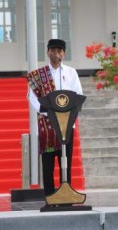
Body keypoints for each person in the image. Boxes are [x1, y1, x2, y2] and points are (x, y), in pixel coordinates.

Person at [27, 39, 83, 197]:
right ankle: (50, 196)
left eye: (59, 51)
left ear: (64, 53)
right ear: (48, 52)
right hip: (48, 124)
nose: (56, 53)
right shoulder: (39, 75)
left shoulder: (71, 73)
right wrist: (48, 113)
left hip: (67, 124)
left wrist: (69, 113)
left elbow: (78, 94)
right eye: (53, 50)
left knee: (66, 162)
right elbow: (32, 98)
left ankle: (67, 194)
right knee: (48, 163)